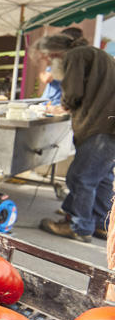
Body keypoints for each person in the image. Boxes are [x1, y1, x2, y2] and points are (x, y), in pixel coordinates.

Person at [36, 32, 115, 243]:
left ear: (54, 52)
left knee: (81, 177)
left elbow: (72, 93)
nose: (47, 63)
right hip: (109, 125)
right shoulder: (98, 54)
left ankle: (79, 226)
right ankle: (100, 224)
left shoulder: (76, 56)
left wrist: (63, 106)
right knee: (103, 177)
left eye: (46, 58)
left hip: (99, 126)